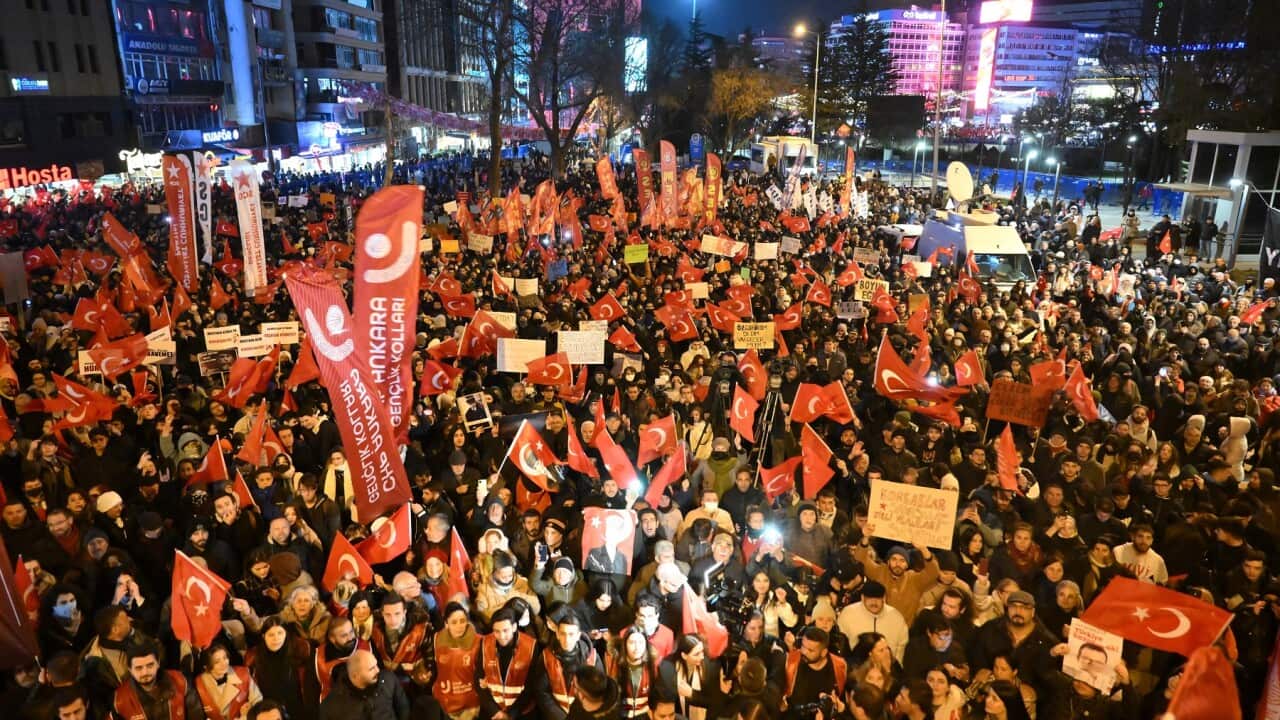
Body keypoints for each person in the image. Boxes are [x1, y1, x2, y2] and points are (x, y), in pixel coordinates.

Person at [113, 643, 205, 720]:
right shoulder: (120, 699)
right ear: (130, 669)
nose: (145, 672)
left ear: (158, 663)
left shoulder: (180, 681)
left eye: (150, 665)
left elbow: (196, 715)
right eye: (138, 668)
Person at [476, 607, 538, 719]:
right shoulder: (485, 643)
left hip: (522, 711)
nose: (501, 636)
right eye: (496, 631)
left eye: (505, 630)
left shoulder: (531, 646)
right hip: (493, 710)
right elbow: (479, 680)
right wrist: (495, 712)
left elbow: (532, 685)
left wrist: (511, 714)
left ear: (514, 627)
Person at [317, 650, 410, 720]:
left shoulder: (389, 679)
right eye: (371, 669)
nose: (377, 670)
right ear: (355, 676)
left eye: (376, 665)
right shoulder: (333, 705)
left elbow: (404, 711)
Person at [429, 602, 481, 718]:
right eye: (454, 622)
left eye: (462, 621)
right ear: (446, 624)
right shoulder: (436, 639)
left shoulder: (479, 642)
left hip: (470, 705)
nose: (459, 626)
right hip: (444, 702)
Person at [193, 644, 263, 720]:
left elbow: (258, 700)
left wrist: (246, 715)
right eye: (217, 662)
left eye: (225, 658)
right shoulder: (199, 683)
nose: (224, 663)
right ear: (206, 667)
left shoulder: (243, 674)